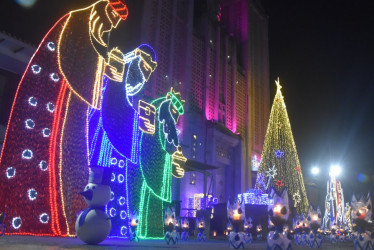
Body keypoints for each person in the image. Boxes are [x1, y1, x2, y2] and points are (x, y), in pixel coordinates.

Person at [0, 0, 155, 236]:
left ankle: (74, 219)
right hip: (54, 101)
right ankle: (51, 218)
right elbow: (81, 71)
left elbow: (114, 101)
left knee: (74, 161)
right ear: (103, 9)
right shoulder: (78, 24)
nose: (112, 26)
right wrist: (108, 72)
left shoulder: (99, 41)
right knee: (51, 154)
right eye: (112, 18)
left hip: (76, 115)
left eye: (147, 70)